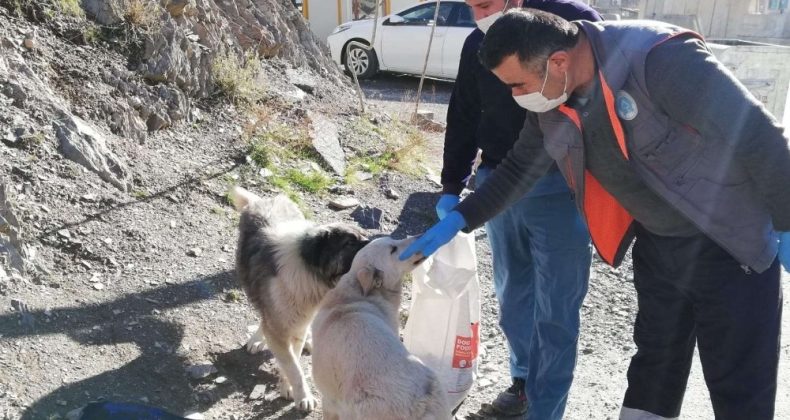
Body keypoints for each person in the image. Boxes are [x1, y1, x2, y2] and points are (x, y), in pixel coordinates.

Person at [403, 9, 790, 420]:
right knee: (655, 366)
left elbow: (759, 136)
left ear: (558, 62)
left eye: (518, 84)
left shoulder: (660, 60)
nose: (517, 97)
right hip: (660, 243)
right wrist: (460, 219)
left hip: (730, 244)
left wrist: (786, 221)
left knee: (737, 385)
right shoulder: (553, 100)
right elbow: (518, 169)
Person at [440, 0, 600, 418]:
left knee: (557, 309)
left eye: (486, 5)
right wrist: (451, 185)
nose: (479, 15)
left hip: (562, 187)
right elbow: (462, 112)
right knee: (513, 296)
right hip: (498, 183)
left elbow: (602, 89)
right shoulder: (480, 43)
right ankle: (523, 383)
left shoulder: (568, 22)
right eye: (471, 7)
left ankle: (545, 410)